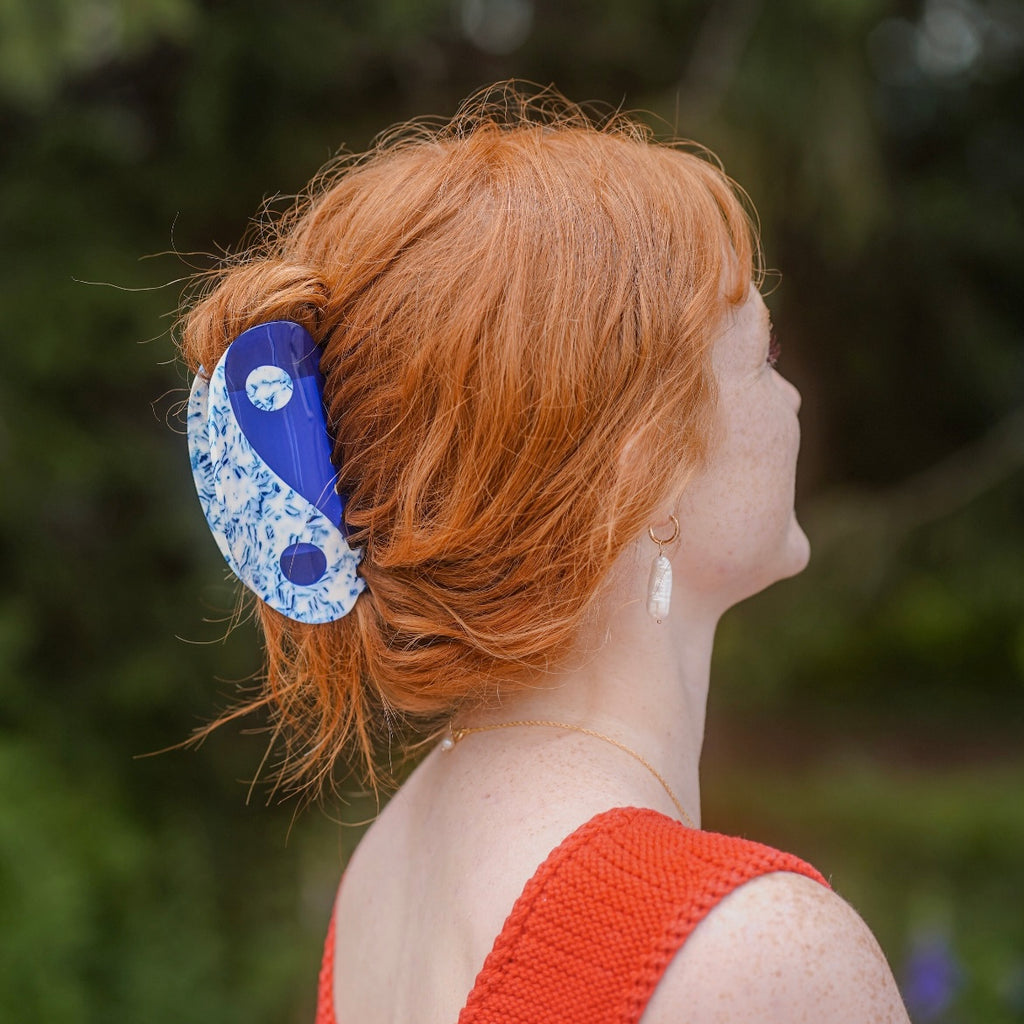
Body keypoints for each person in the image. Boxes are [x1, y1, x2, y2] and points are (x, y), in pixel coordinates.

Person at [181, 84, 910, 1023]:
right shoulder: (755, 954)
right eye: (763, 357)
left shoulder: (390, 861)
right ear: (644, 465)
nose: (794, 401)